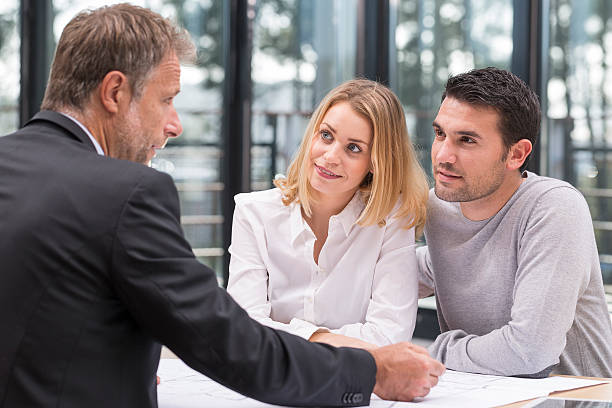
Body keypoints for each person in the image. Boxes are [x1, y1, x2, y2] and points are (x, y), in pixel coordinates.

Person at [0, 4, 445, 408]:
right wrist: (373, 371)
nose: (175, 124)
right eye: (167, 99)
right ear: (114, 92)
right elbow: (228, 340)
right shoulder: (129, 192)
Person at [417, 67, 612, 378]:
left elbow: (529, 352)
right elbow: (433, 266)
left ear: (517, 154)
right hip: (480, 398)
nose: (443, 155)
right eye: (440, 134)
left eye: (466, 140)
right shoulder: (438, 206)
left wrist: (430, 354)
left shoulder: (553, 207)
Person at [227, 79, 429, 350]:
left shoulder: (392, 221)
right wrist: (321, 338)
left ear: (376, 163)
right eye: (326, 136)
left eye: (354, 148)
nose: (331, 156)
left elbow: (389, 337)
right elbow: (242, 328)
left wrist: (285, 335)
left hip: (354, 383)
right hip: (269, 382)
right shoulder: (253, 214)